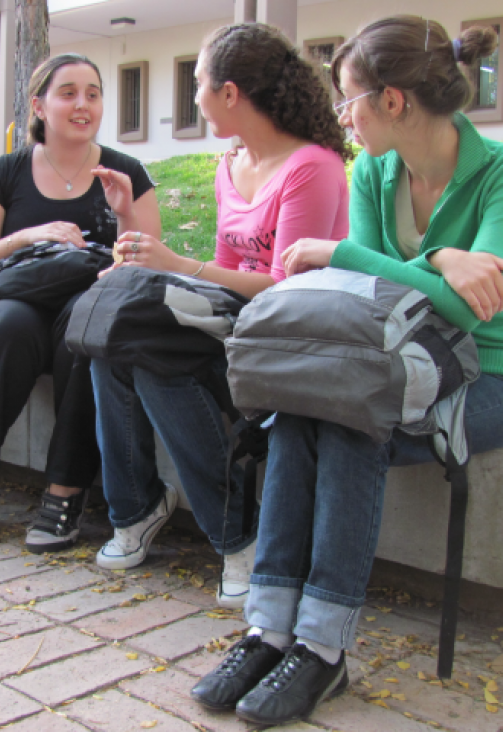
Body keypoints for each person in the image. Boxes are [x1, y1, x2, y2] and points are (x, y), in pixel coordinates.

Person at [189, 15, 503, 726]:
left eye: (348, 100)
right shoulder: (377, 172)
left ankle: (324, 650)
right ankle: (270, 631)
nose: (341, 117)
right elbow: (382, 299)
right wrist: (439, 261)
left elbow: (470, 312)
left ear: (393, 100)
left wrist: (352, 254)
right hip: (397, 359)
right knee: (300, 412)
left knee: (354, 426)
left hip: (489, 378)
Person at [90, 23, 351, 609]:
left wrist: (180, 264)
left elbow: (289, 286)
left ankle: (239, 540)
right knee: (117, 341)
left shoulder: (312, 166)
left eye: (200, 84)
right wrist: (153, 267)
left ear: (230, 93)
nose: (196, 98)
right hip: (239, 317)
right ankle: (135, 508)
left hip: (295, 330)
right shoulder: (230, 163)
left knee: (159, 361)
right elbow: (228, 270)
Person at [0, 53, 160, 551]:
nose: (83, 104)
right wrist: (26, 236)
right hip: (20, 301)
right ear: (39, 104)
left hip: (88, 302)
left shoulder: (126, 171)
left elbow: (149, 265)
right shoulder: (7, 172)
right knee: (6, 323)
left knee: (84, 329)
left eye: (93, 93)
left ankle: (65, 488)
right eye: (68, 92)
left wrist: (124, 214)